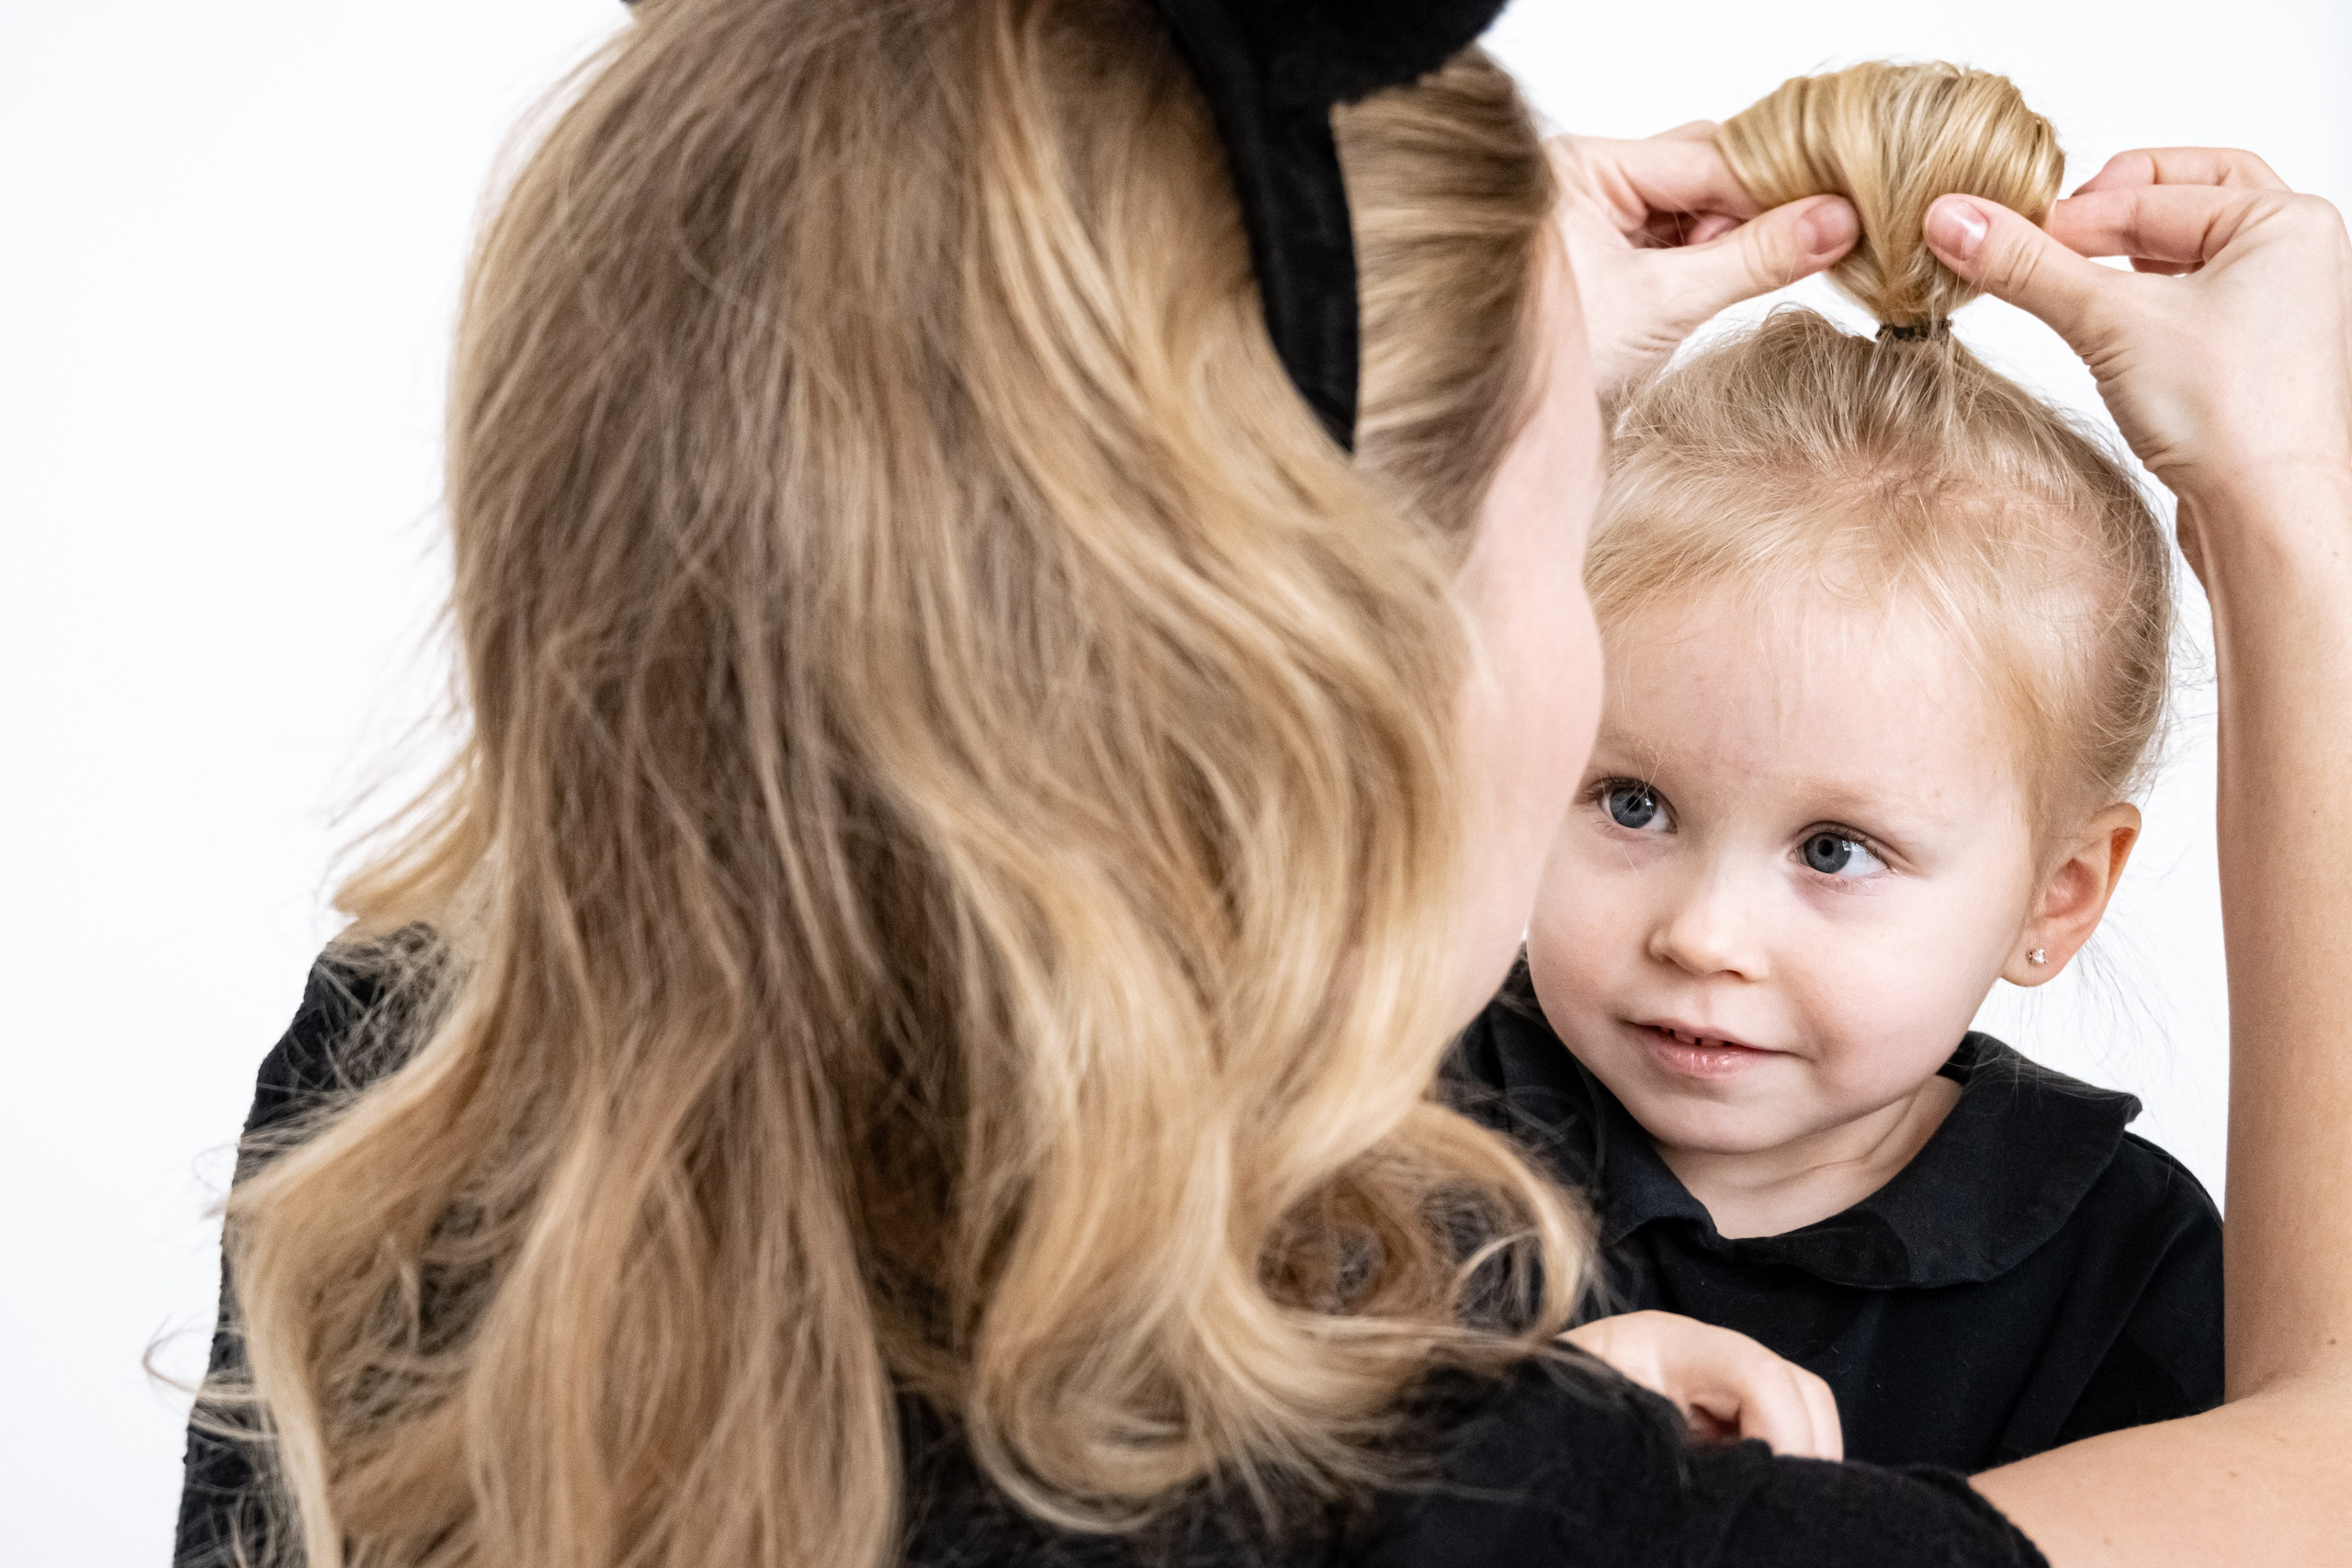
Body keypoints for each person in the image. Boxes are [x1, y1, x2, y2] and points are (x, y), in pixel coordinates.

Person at [173, 1, 2352, 1565]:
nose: (1703, 919)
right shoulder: (1468, 1507)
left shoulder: (409, 1101)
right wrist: (2293, 501)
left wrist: (1409, 374)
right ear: (1375, 689)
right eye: (1555, 526)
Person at [1452, 62, 2222, 1472]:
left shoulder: (2131, 1273)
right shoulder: (1400, 1123)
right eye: (1632, 804)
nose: (1702, 935)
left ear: (2056, 897)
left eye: (1834, 851)